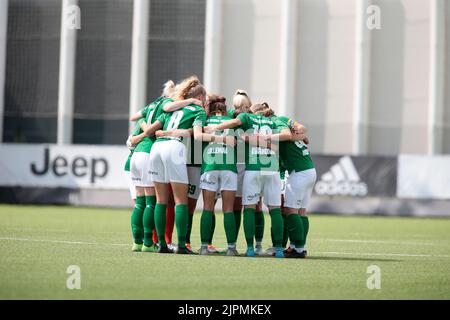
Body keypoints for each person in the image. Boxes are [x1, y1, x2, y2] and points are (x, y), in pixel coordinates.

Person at [131, 76, 207, 254]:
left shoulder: (171, 108)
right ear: (200, 98)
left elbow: (152, 129)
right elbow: (196, 135)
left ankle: (161, 246)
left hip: (157, 147)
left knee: (160, 200)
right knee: (181, 201)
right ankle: (181, 245)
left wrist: (137, 138)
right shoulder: (198, 111)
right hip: (174, 147)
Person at [205, 103, 292, 258]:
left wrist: (215, 128)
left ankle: (250, 249)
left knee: (250, 208)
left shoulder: (247, 117)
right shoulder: (273, 121)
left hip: (253, 168)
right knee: (275, 210)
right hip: (271, 168)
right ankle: (279, 249)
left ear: (252, 112)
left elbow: (234, 122)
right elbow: (284, 138)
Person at [197, 98, 238, 256]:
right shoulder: (232, 121)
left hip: (210, 166)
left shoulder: (205, 119)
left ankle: (204, 247)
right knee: (228, 209)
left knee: (208, 208)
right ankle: (231, 248)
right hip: (228, 168)